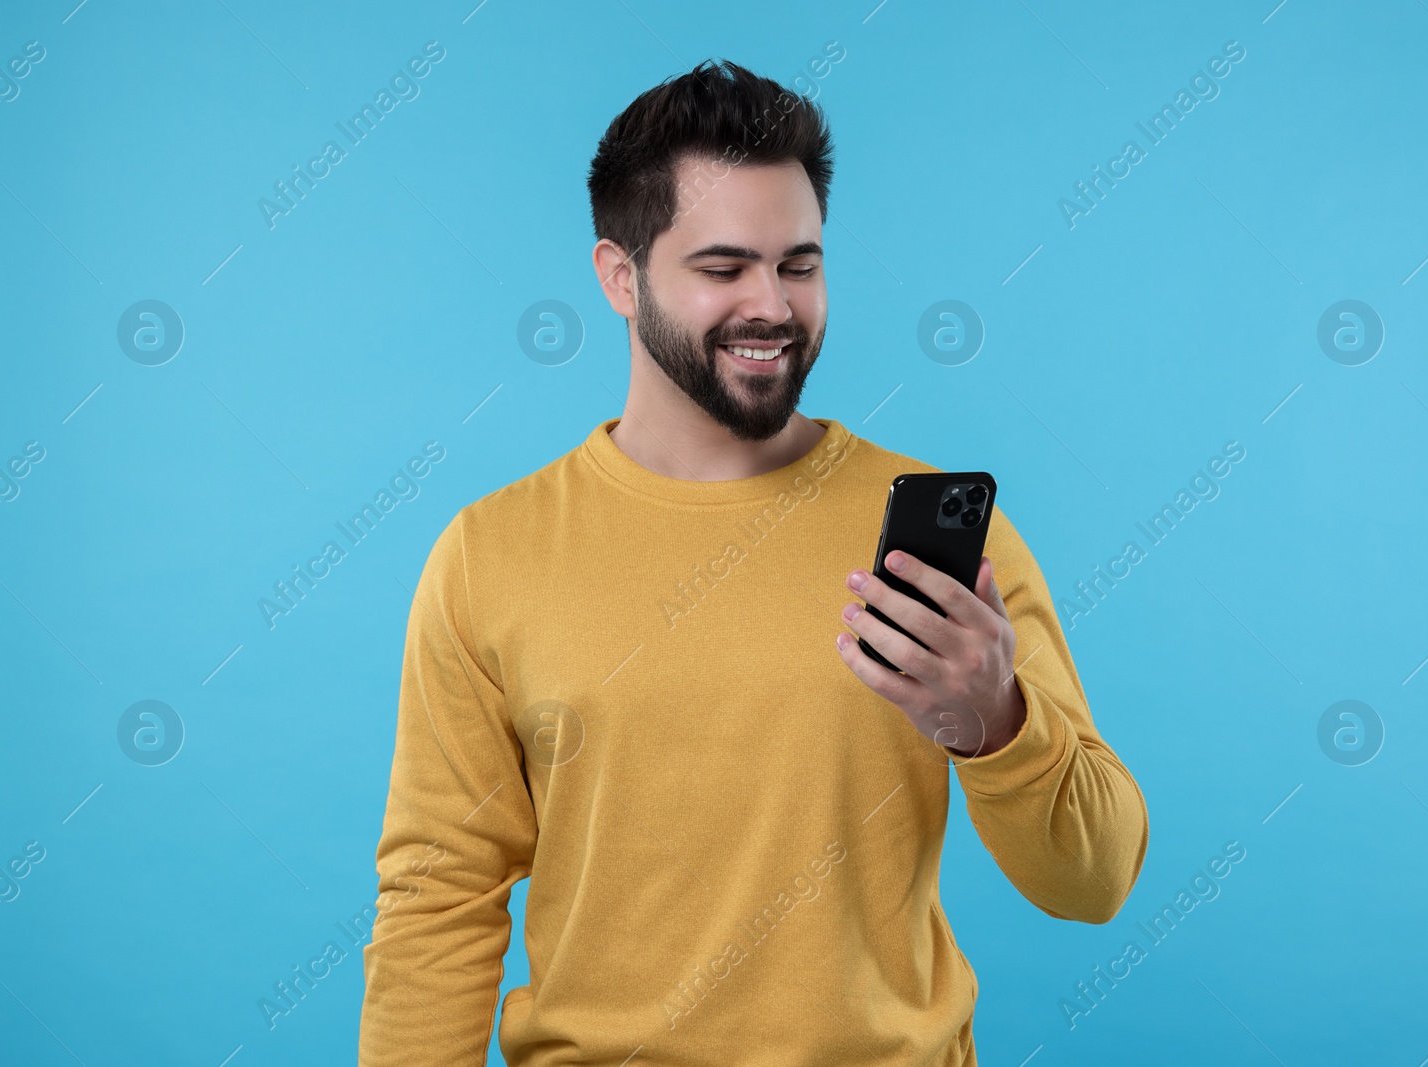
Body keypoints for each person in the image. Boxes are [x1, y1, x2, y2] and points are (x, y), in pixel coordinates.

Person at [359, 58, 1147, 1066]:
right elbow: (440, 895)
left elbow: (1096, 879)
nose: (772, 304)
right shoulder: (490, 555)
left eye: (800, 264)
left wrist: (995, 723)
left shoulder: (952, 545)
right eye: (724, 268)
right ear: (619, 275)